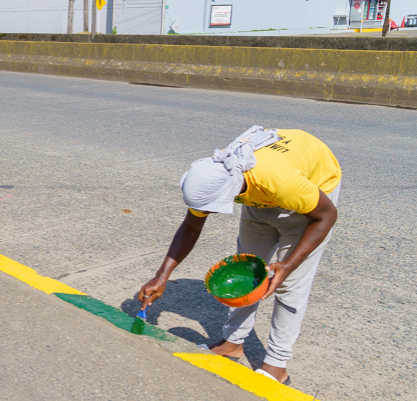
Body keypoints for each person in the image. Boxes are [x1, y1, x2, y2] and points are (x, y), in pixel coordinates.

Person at [138, 126, 342, 386]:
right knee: (244, 271)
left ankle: (277, 365)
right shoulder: (217, 174)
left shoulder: (281, 182)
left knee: (289, 284)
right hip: (263, 193)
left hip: (314, 196)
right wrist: (161, 275)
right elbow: (191, 226)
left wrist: (288, 265)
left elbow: (327, 216)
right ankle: (233, 343)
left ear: (230, 191)